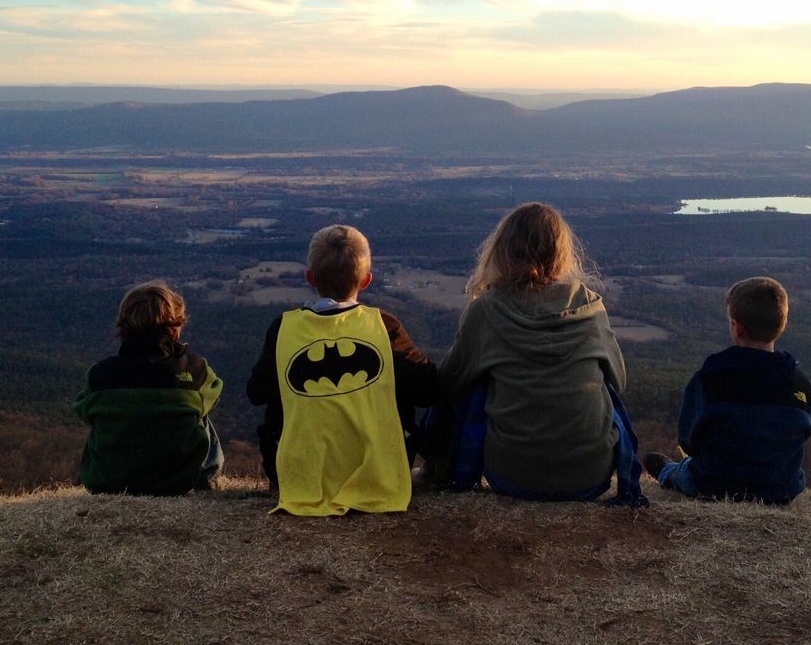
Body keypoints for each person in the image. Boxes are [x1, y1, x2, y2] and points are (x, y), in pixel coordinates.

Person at [424, 202, 645, 505]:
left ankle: (441, 472)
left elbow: (448, 383)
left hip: (511, 478)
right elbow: (618, 380)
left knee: (473, 380)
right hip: (590, 479)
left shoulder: (486, 310)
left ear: (502, 251)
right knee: (600, 380)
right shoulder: (590, 306)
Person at [247, 224, 437, 515]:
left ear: (310, 278)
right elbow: (428, 390)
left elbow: (256, 393)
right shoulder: (384, 327)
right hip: (379, 473)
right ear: (366, 281)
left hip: (297, 475)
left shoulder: (283, 329)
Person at [644, 276, 811, 505]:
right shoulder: (801, 385)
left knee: (685, 471)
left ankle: (667, 471)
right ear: (781, 324)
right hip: (780, 488)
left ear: (737, 327)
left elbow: (688, 441)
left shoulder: (711, 377)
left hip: (715, 483)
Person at [73, 281, 224, 495]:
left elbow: (82, 408)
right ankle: (205, 478)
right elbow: (215, 394)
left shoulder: (100, 374)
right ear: (174, 328)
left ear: (124, 326)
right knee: (199, 411)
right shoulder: (195, 368)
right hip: (178, 481)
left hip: (107, 482)